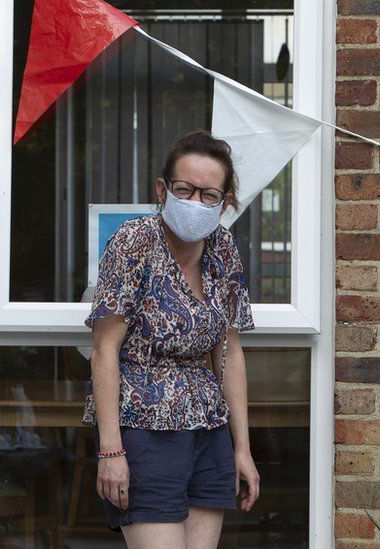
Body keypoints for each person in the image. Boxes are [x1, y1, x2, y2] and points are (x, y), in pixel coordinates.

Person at [83, 130, 260, 548]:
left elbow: (229, 352)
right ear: (163, 189)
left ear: (226, 201)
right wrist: (111, 451)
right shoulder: (134, 242)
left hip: (210, 429)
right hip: (144, 429)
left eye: (209, 194)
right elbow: (103, 351)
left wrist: (242, 449)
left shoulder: (224, 249)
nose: (196, 201)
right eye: (185, 189)